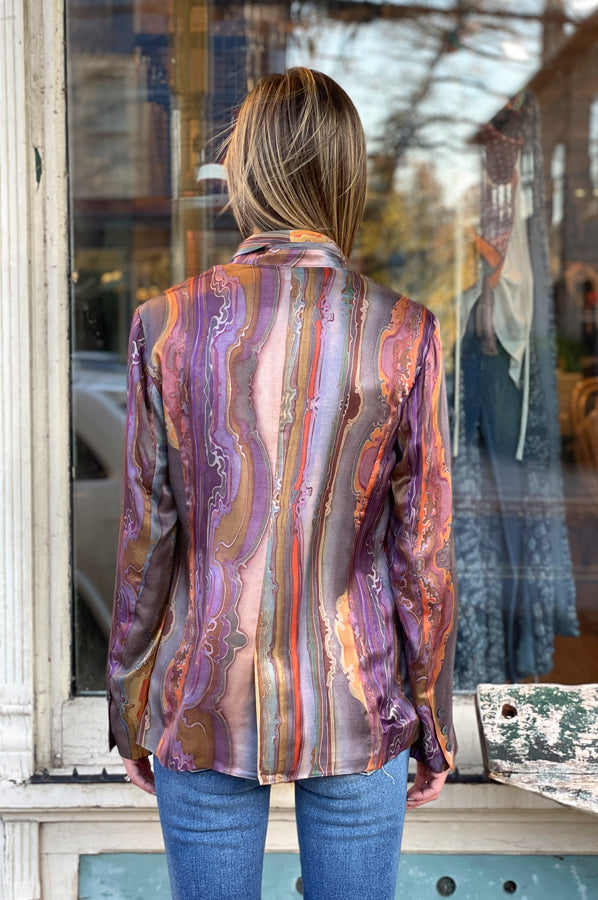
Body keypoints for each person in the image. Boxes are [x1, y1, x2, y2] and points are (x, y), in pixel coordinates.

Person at [106, 67, 457, 900]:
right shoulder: (404, 332)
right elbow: (423, 556)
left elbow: (145, 544)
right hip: (358, 695)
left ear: (245, 171)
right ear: (346, 176)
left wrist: (130, 707)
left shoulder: (165, 324)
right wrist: (433, 722)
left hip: (201, 696)